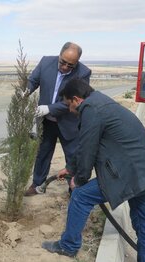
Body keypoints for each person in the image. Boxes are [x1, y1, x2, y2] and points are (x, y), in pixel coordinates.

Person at [41, 79, 145, 262]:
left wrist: (79, 179)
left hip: (131, 174)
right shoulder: (102, 102)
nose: (69, 110)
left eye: (68, 105)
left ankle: (68, 246)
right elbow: (87, 144)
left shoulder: (91, 109)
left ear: (76, 99)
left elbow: (88, 148)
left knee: (80, 196)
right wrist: (70, 168)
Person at [24, 42, 91, 196]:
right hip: (46, 122)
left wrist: (50, 108)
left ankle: (74, 189)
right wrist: (25, 92)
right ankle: (37, 184)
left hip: (69, 122)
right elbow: (33, 81)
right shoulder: (46, 62)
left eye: (70, 65)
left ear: (77, 62)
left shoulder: (83, 73)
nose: (65, 67)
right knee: (43, 152)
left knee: (73, 156)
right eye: (63, 62)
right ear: (59, 55)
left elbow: (76, 100)